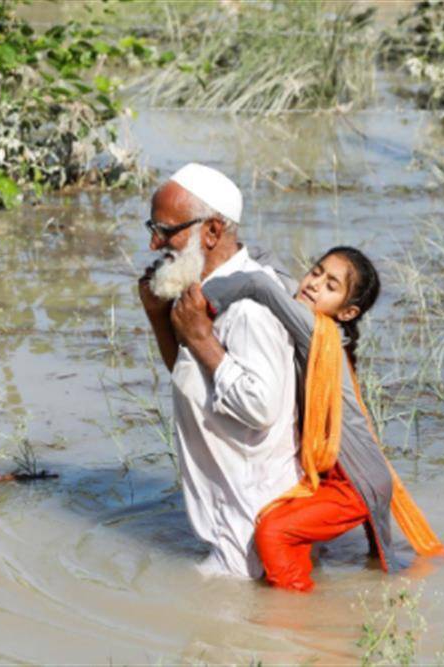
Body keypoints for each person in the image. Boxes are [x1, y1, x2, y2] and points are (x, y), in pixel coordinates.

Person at [195, 247, 444, 592]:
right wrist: (248, 251)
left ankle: (296, 616)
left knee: (274, 530)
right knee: (384, 572)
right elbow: (275, 274)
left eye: (331, 285)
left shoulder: (315, 330)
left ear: (347, 312)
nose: (314, 285)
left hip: (353, 482)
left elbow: (260, 284)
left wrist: (198, 302)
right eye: (315, 272)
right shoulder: (321, 329)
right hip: (358, 474)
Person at [137, 163, 302, 579]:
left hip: (250, 536)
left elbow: (260, 405)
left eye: (167, 229)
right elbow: (194, 376)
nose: (155, 242)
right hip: (229, 527)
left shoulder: (248, 307)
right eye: (151, 227)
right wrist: (161, 318)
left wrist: (204, 340)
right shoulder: (204, 293)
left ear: (211, 232)